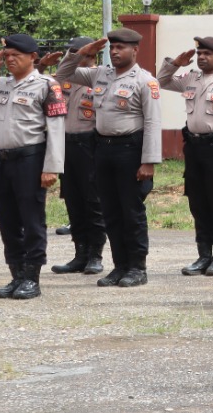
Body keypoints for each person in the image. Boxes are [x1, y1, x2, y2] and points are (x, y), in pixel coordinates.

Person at [58, 30, 163, 288]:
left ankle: (137, 267)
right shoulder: (99, 74)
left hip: (130, 149)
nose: (115, 52)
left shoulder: (145, 81)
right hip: (101, 148)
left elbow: (152, 122)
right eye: (112, 48)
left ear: (135, 50)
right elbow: (63, 75)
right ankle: (119, 266)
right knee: (110, 211)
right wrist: (80, 53)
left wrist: (148, 161)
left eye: (121, 48)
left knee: (131, 211)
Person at [0, 35, 65, 299]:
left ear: (33, 57)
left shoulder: (46, 86)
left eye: (16, 55)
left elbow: (56, 129)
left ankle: (32, 277)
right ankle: (16, 274)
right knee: (6, 219)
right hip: (1, 161)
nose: (10, 60)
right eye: (6, 55)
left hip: (31, 159)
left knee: (31, 219)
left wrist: (52, 167)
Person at [158, 36, 213, 278]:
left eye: (207, 54)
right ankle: (203, 255)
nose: (201, 58)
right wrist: (175, 63)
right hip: (194, 147)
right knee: (196, 202)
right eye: (199, 54)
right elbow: (161, 81)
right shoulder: (190, 78)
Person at [44, 37, 107, 279]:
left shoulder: (101, 79)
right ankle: (80, 254)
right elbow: (58, 76)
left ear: (93, 56)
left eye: (85, 54)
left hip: (90, 144)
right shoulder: (63, 79)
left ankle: (95, 255)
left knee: (93, 202)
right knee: (73, 200)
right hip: (65, 144)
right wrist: (71, 57)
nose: (81, 59)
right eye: (77, 54)